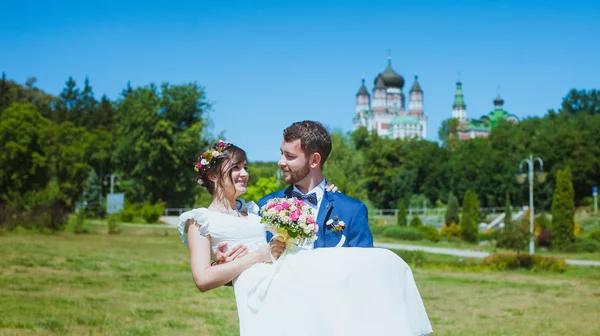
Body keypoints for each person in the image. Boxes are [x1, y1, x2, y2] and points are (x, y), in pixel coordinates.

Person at [179, 141, 433, 336]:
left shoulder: (257, 210)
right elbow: (202, 279)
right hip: (264, 292)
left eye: (245, 167)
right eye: (234, 168)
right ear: (213, 176)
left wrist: (328, 190)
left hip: (293, 279)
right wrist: (247, 258)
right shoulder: (199, 220)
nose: (244, 173)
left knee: (375, 264)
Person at [214, 120, 373, 264]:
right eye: (282, 153)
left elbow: (365, 269)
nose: (280, 162)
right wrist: (223, 264)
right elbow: (252, 262)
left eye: (289, 156)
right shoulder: (266, 206)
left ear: (314, 160)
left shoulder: (351, 210)